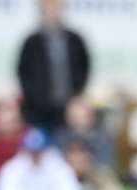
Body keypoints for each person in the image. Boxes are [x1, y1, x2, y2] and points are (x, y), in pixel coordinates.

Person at [17, 0, 91, 129]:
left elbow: (83, 68)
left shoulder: (75, 40)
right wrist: (35, 98)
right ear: (41, 10)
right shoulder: (31, 42)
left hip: (68, 110)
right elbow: (23, 73)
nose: (52, 13)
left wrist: (76, 96)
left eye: (55, 8)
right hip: (38, 111)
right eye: (48, 9)